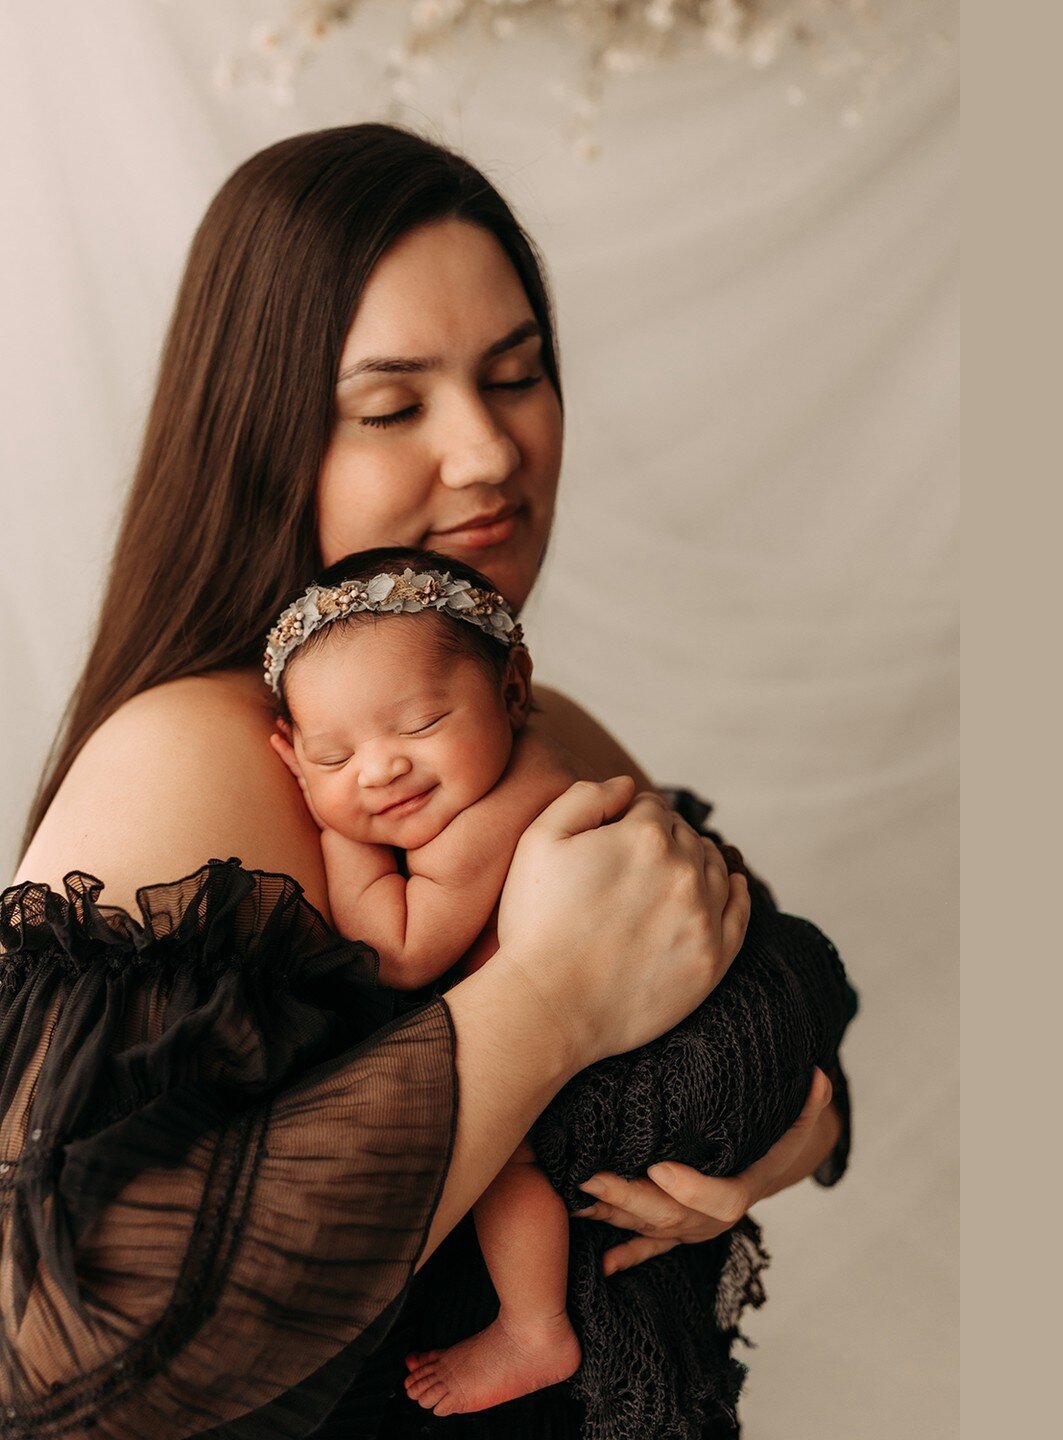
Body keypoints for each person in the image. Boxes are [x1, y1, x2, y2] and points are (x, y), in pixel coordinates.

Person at [5, 123, 852, 1439]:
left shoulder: (546, 722)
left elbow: (756, 974)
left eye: (517, 378)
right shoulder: (197, 752)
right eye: (394, 406)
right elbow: (56, 1343)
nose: (487, 452)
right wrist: (551, 1000)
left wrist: (781, 1135)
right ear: (266, 441)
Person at [262, 547, 854, 1426]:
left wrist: (330, 815)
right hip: (740, 1017)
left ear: (511, 691)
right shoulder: (531, 756)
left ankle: (535, 1328)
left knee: (499, 1147)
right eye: (333, 751)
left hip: (689, 1055)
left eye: (421, 725)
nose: (379, 769)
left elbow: (398, 951)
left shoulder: (495, 814)